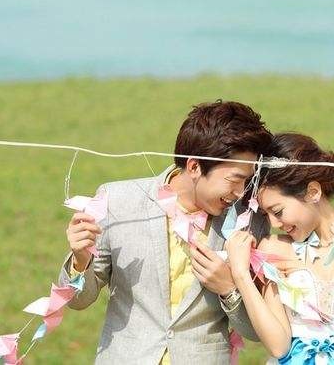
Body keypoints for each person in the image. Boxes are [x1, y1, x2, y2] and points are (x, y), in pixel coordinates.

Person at [58, 100, 272, 364]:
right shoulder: (117, 201)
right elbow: (78, 301)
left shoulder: (250, 222)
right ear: (194, 167)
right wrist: (80, 260)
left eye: (247, 181)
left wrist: (229, 288)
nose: (240, 192)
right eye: (234, 179)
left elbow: (257, 331)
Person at [225, 133, 334, 364]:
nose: (275, 223)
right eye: (266, 214)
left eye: (278, 211)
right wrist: (241, 275)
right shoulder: (274, 249)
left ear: (313, 192)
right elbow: (278, 347)